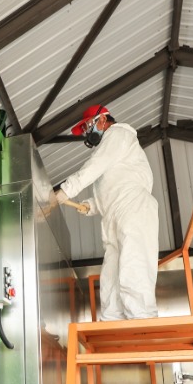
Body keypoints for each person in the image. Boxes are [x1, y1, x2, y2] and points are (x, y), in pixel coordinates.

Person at [52, 105, 159, 320]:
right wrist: (92, 205)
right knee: (111, 275)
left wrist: (65, 190)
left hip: (133, 206)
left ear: (102, 119)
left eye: (87, 126)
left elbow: (94, 168)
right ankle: (113, 322)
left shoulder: (118, 135)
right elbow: (112, 189)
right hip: (115, 211)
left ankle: (143, 321)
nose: (86, 132)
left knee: (134, 263)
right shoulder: (113, 150)